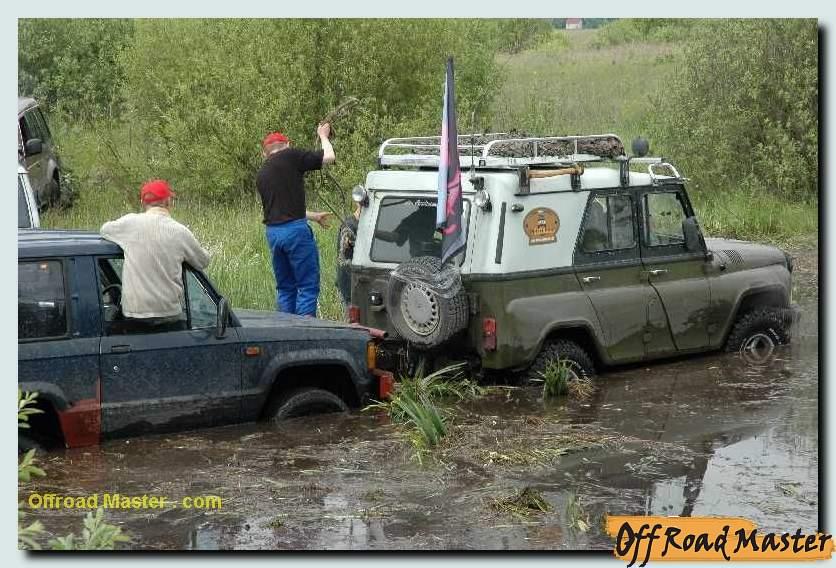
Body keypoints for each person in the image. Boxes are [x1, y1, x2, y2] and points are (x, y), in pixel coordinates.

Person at [100, 179, 210, 332]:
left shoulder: (129, 224)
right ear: (168, 202)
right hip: (169, 315)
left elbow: (105, 229)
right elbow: (203, 261)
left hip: (134, 316)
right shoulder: (180, 232)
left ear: (142, 202)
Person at [256, 123, 335, 317]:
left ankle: (285, 329)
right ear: (288, 145)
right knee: (307, 286)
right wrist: (323, 136)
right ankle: (305, 330)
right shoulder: (291, 156)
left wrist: (314, 216)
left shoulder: (262, 174)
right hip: (296, 232)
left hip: (274, 234)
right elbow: (329, 157)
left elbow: (281, 210)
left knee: (285, 288)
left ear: (265, 153)